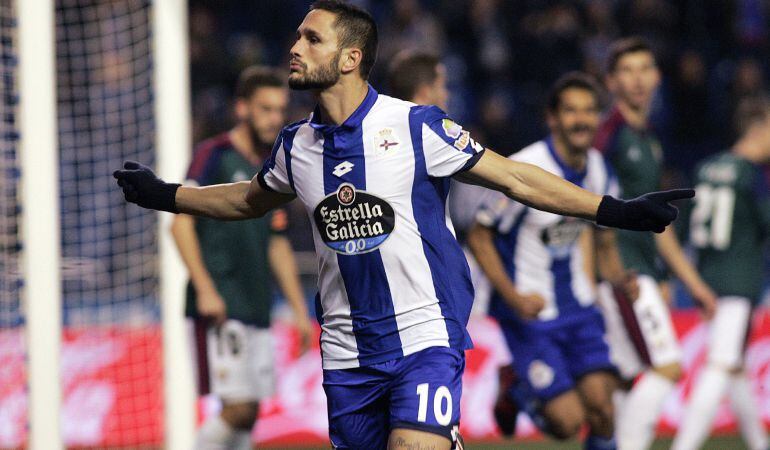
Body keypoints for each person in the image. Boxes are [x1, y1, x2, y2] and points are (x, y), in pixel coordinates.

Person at [114, 2, 693, 448]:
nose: (294, 46)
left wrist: (613, 210)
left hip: (424, 337)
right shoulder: (296, 147)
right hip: (345, 351)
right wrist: (167, 195)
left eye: (310, 38)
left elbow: (516, 178)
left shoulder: (416, 126)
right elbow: (245, 200)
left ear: (349, 58)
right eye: (296, 35)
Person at [467, 73, 638, 450]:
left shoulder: (599, 169)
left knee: (603, 410)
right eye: (571, 111)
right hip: (531, 314)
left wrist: (617, 279)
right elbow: (479, 236)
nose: (581, 120)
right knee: (567, 424)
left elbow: (603, 239)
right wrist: (513, 299)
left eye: (589, 111)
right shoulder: (523, 169)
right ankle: (515, 388)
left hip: (579, 307)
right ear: (552, 118)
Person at [170, 66, 312, 450]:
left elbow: (277, 242)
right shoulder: (212, 156)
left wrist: (300, 312)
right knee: (238, 408)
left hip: (256, 302)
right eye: (265, 109)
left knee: (248, 418)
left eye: (279, 110)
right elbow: (179, 226)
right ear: (241, 109)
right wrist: (205, 288)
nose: (274, 119)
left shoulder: (271, 168)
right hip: (220, 298)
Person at [593, 37, 718, 450]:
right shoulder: (608, 136)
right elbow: (586, 205)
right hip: (623, 273)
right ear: (611, 81)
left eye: (645, 68)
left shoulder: (647, 138)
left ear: (658, 76)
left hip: (643, 271)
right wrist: (610, 271)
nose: (638, 79)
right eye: (627, 70)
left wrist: (690, 284)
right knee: (665, 367)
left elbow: (657, 228)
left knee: (629, 380)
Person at [672, 97, 770, 450]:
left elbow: (681, 229)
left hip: (707, 277)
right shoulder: (752, 175)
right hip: (739, 279)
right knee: (721, 363)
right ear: (757, 127)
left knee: (735, 366)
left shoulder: (705, 167)